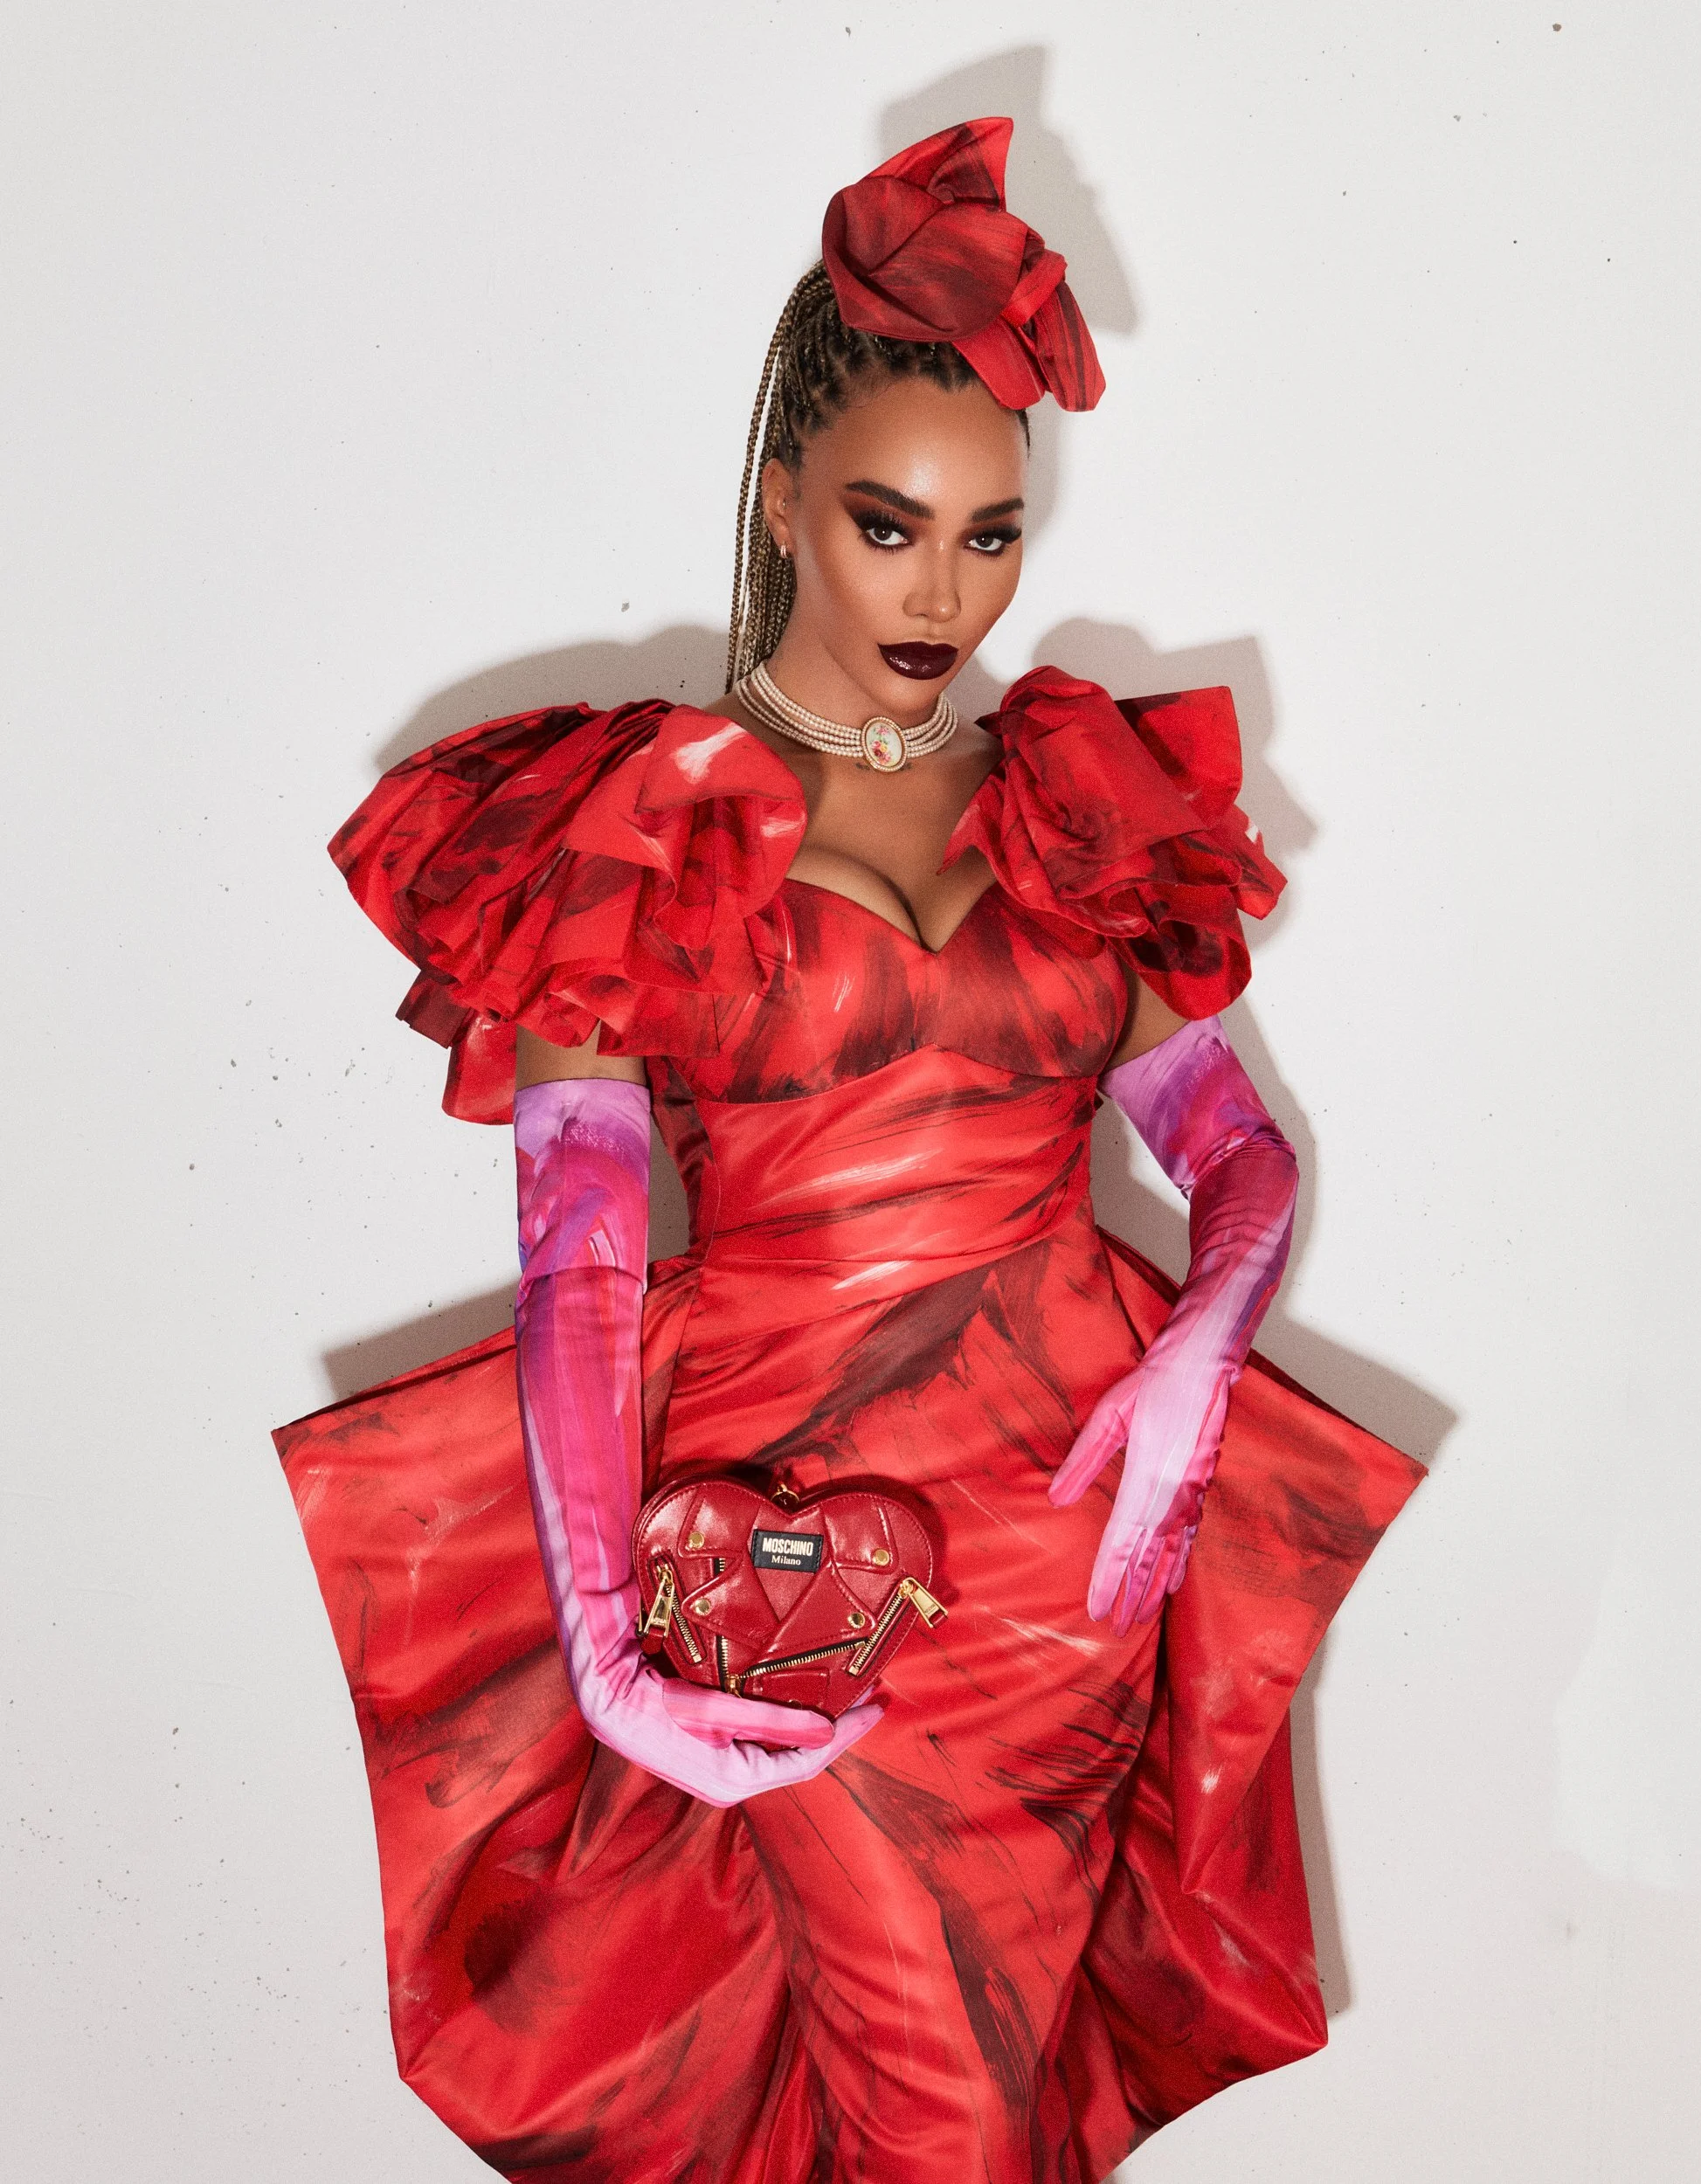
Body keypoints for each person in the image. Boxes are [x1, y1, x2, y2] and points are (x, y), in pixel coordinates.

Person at [276, 118, 1424, 2184]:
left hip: (1067, 1553)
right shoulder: (641, 821)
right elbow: (577, 1264)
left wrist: (1199, 1354)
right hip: (791, 1551)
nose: (941, 590)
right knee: (940, 2104)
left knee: (990, 2089)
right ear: (784, 497)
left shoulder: (1068, 796)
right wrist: (606, 1644)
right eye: (889, 524)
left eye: (989, 536)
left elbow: (1235, 1148)